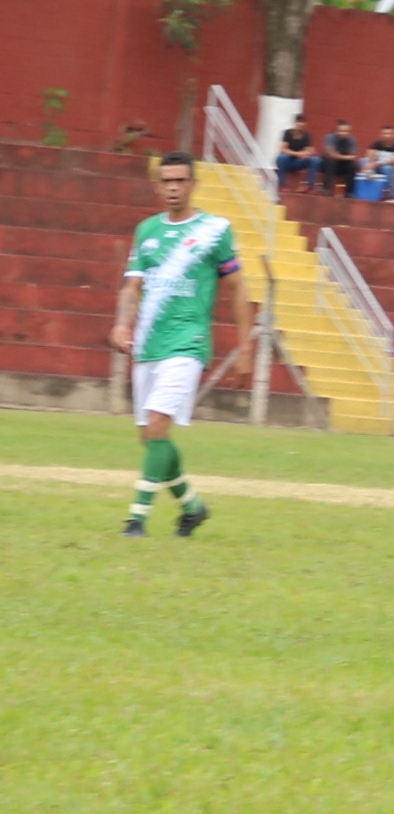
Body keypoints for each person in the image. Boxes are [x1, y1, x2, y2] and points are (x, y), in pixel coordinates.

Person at [109, 153, 254, 538]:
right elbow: (132, 286)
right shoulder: (146, 231)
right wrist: (122, 323)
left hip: (189, 343)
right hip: (148, 343)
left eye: (180, 180)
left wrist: (245, 349)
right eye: (166, 181)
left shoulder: (215, 230)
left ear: (193, 185)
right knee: (150, 436)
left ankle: (136, 520)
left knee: (158, 423)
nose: (173, 187)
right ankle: (192, 507)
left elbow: (239, 288)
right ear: (158, 185)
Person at [276, 117, 319, 192]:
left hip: (299, 162)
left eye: (302, 122)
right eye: (298, 122)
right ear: (295, 123)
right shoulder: (288, 133)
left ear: (305, 124)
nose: (300, 124)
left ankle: (310, 187)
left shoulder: (306, 135)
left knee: (315, 160)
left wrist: (306, 154)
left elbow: (310, 150)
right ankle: (282, 185)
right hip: (288, 161)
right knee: (281, 157)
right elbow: (283, 149)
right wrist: (298, 154)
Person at [368, 125, 394, 201]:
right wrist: (372, 164)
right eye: (385, 133)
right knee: (363, 161)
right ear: (381, 135)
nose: (387, 136)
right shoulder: (376, 144)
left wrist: (378, 164)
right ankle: (366, 190)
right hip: (374, 166)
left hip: (384, 167)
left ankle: (392, 195)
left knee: (388, 168)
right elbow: (370, 155)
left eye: (389, 134)